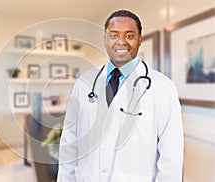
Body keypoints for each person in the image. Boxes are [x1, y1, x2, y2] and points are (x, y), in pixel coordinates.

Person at [57, 10, 184, 182]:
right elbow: (69, 143)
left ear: (140, 39)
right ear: (105, 39)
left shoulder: (163, 87)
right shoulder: (84, 83)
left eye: (129, 35)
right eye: (113, 35)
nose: (121, 42)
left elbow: (171, 155)